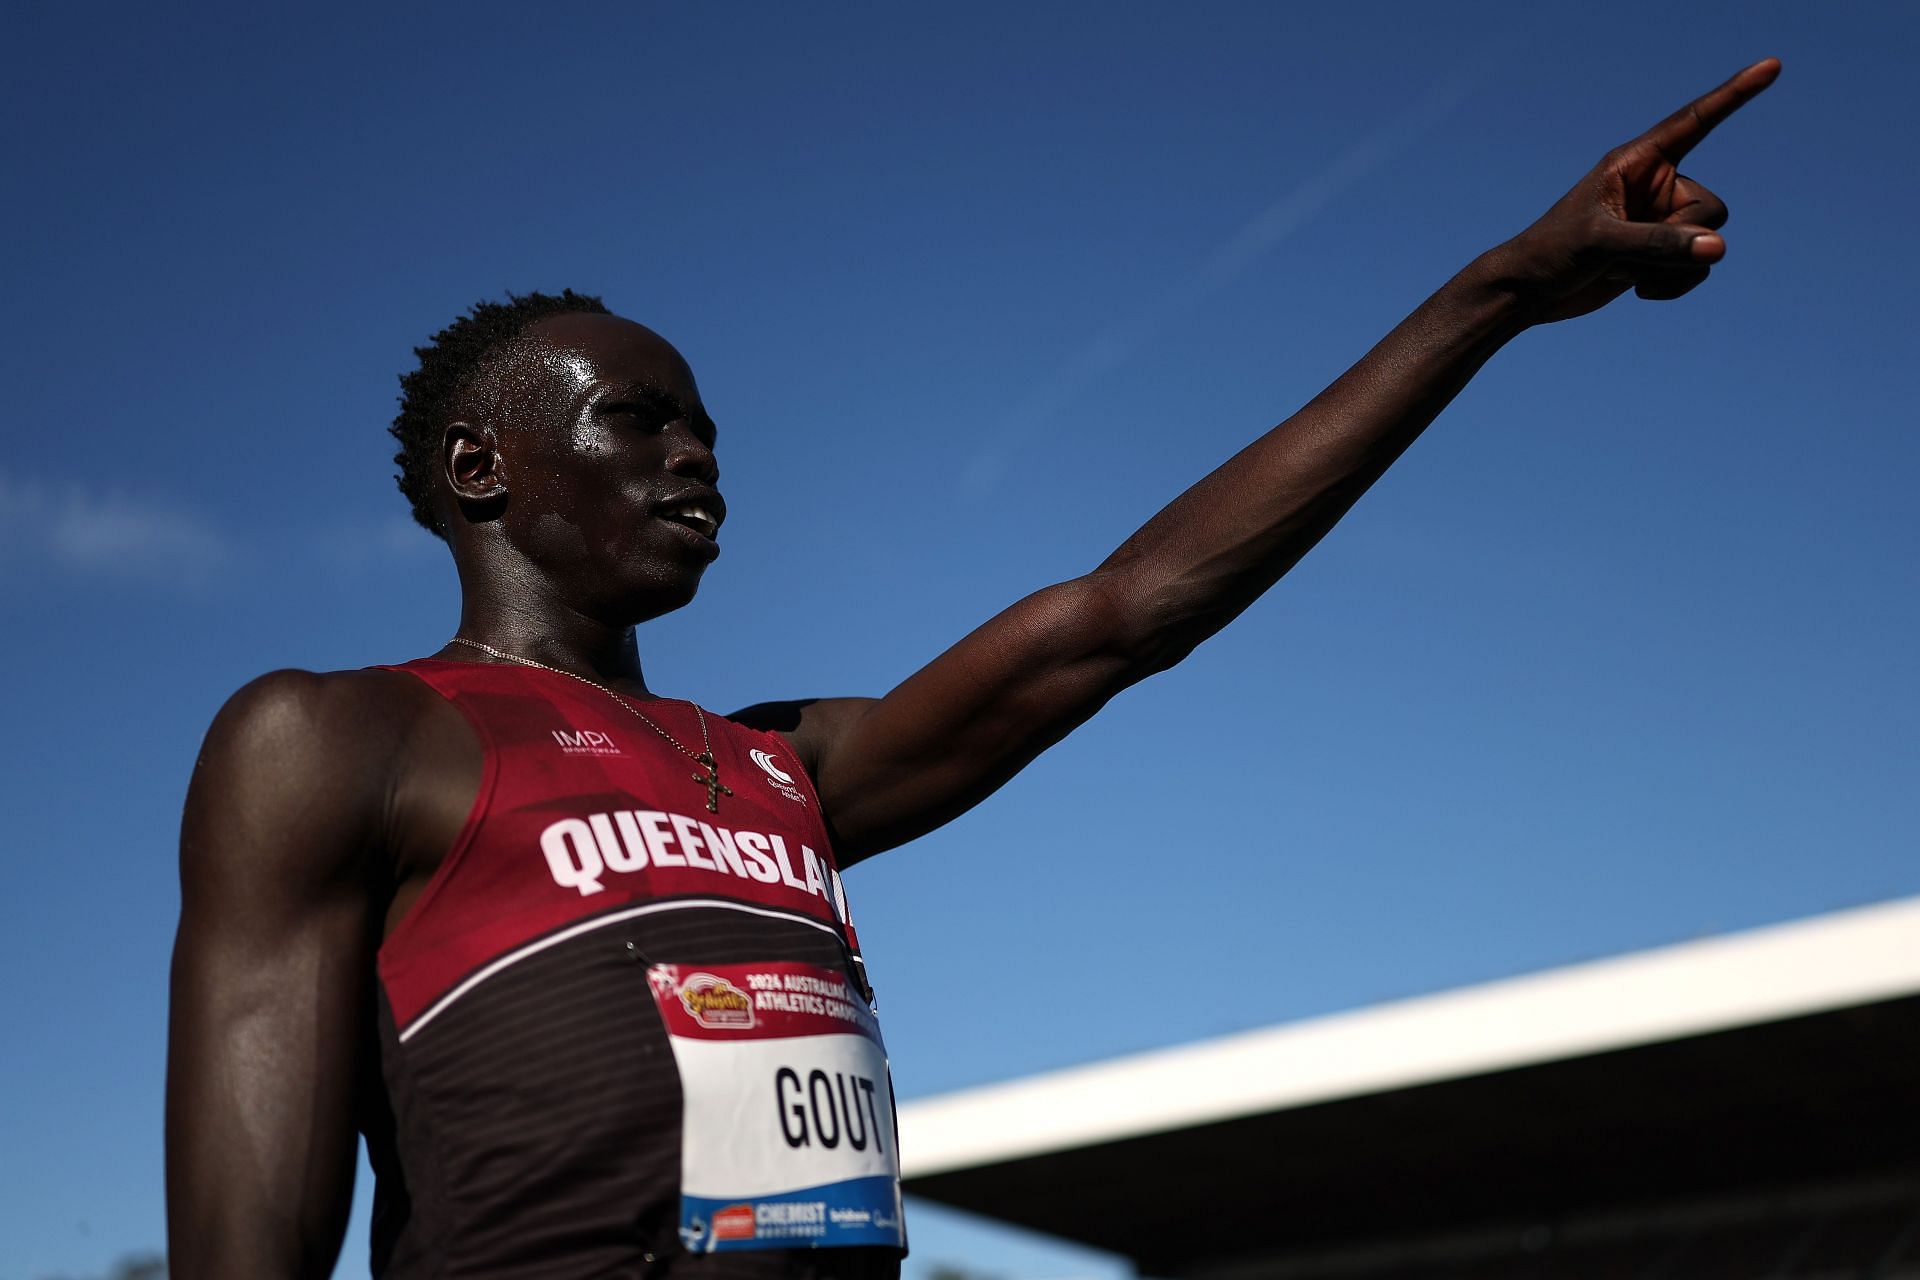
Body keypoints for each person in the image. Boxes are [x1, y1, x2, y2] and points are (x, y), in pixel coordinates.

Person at [165, 58, 1780, 1280]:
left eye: (712, 429)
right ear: (479, 465)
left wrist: (1492, 297)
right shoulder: (341, 741)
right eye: (637, 422)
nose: (696, 458)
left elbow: (1127, 611)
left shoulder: (784, 770)